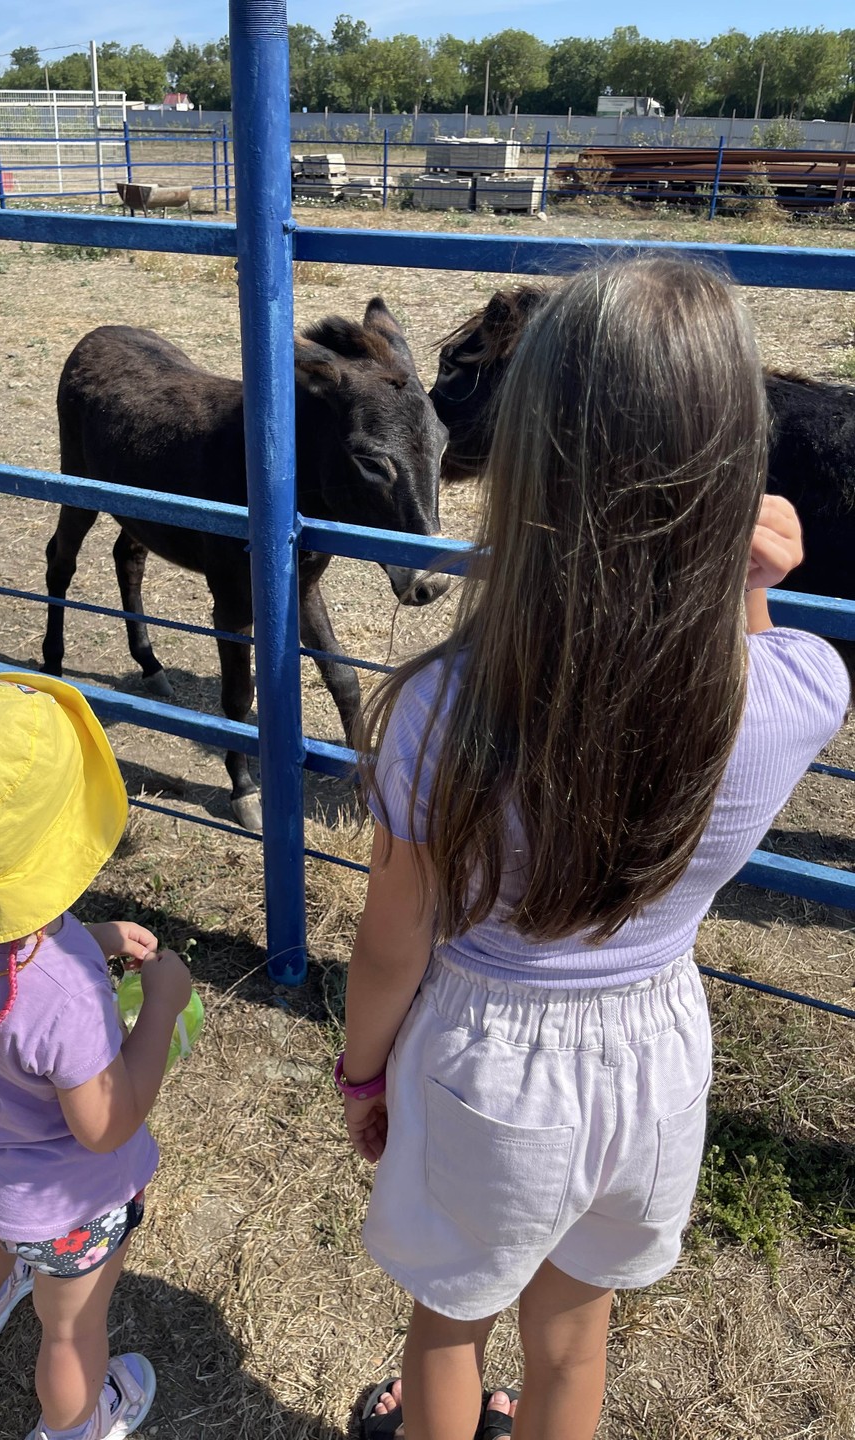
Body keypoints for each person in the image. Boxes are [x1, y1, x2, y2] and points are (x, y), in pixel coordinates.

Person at [336, 258, 850, 1440]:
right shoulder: (804, 691)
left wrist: (366, 1075)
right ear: (739, 464)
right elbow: (745, 674)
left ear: (526, 460)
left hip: (487, 1065)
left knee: (447, 1327)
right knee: (574, 1336)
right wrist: (751, 584)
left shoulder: (439, 708)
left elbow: (391, 939)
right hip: (657, 1059)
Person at [0, 671, 194, 1440]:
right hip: (70, 1209)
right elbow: (106, 1124)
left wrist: (92, 941)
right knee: (71, 1327)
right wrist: (161, 1008)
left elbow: (7, 979)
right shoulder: (63, 992)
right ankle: (75, 1428)